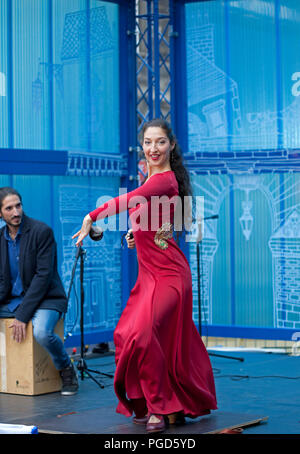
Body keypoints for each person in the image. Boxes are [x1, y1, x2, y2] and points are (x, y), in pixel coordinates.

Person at [73, 118, 217, 433]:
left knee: (146, 333)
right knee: (126, 334)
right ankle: (172, 406)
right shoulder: (149, 178)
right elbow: (154, 215)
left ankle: (158, 407)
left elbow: (131, 200)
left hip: (170, 276)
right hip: (149, 275)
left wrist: (91, 215)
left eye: (160, 142)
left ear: (171, 145)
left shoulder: (164, 180)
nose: (153, 148)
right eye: (148, 142)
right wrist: (136, 235)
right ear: (142, 145)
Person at [0, 187, 78, 396]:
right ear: (0, 213)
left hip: (46, 298)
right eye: (9, 208)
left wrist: (23, 315)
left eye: (18, 205)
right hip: (14, 299)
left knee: (42, 333)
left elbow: (43, 277)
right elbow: (2, 280)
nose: (16, 212)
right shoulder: (0, 238)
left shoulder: (41, 231)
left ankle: (66, 368)